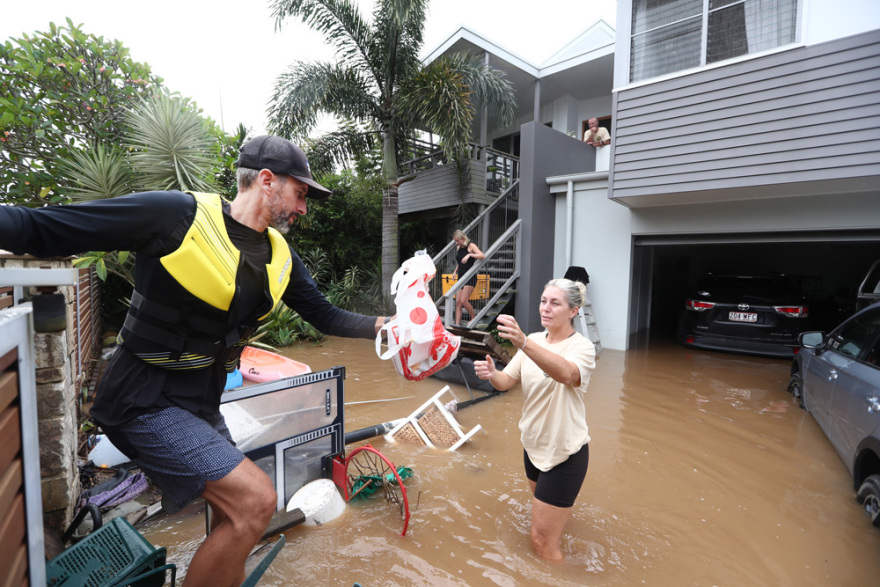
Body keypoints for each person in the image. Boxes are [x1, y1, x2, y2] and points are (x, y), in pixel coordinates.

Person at [0, 135, 389, 586]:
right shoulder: (175, 216)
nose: (304, 208)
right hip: (142, 399)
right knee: (255, 501)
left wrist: (389, 325)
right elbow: (46, 226)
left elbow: (324, 315)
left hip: (200, 406)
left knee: (235, 512)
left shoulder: (280, 257)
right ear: (266, 181)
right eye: (300, 193)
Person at [473, 278, 596, 561]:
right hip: (533, 446)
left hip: (565, 453)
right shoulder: (534, 341)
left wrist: (524, 342)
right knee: (545, 521)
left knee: (541, 542)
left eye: (555, 303)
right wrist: (492, 374)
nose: (546, 308)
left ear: (573, 311)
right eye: (543, 301)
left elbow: (566, 374)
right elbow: (507, 381)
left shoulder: (582, 348)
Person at [451, 229, 485, 327]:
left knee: (463, 300)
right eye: (455, 241)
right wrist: (454, 271)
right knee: (457, 302)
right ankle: (457, 325)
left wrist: (470, 255)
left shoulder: (471, 246)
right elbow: (460, 262)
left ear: (463, 238)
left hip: (470, 276)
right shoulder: (459, 247)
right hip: (461, 276)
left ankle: (474, 318)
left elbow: (482, 256)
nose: (457, 243)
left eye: (458, 241)